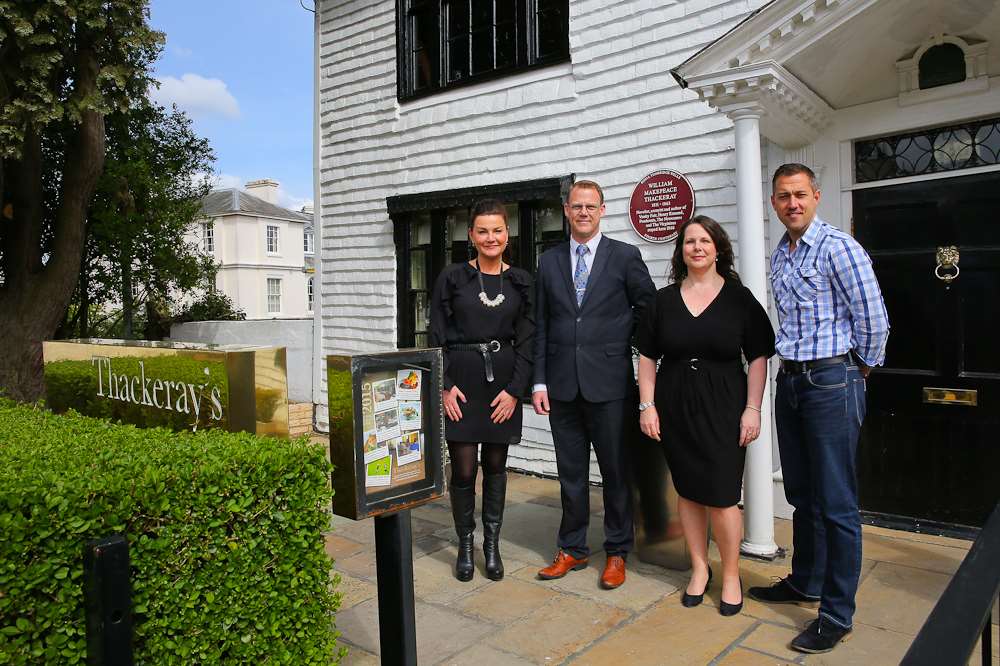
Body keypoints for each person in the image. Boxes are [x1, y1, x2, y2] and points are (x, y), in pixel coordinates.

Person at [748, 164, 889, 654]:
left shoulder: (838, 247)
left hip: (832, 380)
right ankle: (805, 580)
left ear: (817, 196)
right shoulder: (782, 255)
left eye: (801, 195)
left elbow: (874, 320)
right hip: (792, 381)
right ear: (773, 202)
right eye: (784, 196)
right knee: (803, 493)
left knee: (836, 502)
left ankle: (836, 613)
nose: (793, 203)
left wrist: (857, 371)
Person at [636, 215, 774, 617]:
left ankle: (730, 575)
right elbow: (646, 356)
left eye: (704, 241)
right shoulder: (662, 301)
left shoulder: (739, 298)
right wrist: (648, 405)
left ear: (718, 248)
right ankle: (699, 569)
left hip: (725, 405)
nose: (697, 247)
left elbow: (760, 356)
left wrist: (753, 409)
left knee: (724, 496)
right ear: (681, 251)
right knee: (690, 491)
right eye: (689, 241)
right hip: (675, 403)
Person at [532, 180, 656, 589]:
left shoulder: (625, 256)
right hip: (562, 386)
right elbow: (542, 325)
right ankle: (572, 548)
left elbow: (647, 310)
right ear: (566, 210)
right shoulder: (548, 262)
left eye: (591, 206)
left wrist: (624, 348)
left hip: (610, 386)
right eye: (576, 206)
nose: (583, 212)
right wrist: (539, 381)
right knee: (570, 474)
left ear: (603, 210)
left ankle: (617, 551)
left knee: (616, 473)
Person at [429, 199, 535, 582]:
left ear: (507, 235)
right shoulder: (453, 278)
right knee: (463, 469)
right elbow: (436, 334)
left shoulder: (521, 281)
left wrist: (514, 392)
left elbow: (526, 341)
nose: (491, 238)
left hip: (501, 389)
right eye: (483, 231)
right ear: (471, 235)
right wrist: (444, 386)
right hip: (461, 385)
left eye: (498, 230)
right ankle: (464, 544)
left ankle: (491, 545)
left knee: (495, 466)